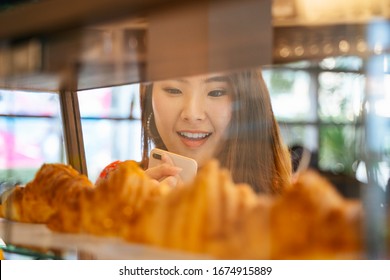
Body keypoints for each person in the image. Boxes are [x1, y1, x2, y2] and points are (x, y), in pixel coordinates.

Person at [140, 67, 292, 194]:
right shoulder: (121, 188)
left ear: (247, 104)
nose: (193, 115)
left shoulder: (281, 208)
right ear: (149, 95)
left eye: (216, 92)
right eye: (173, 90)